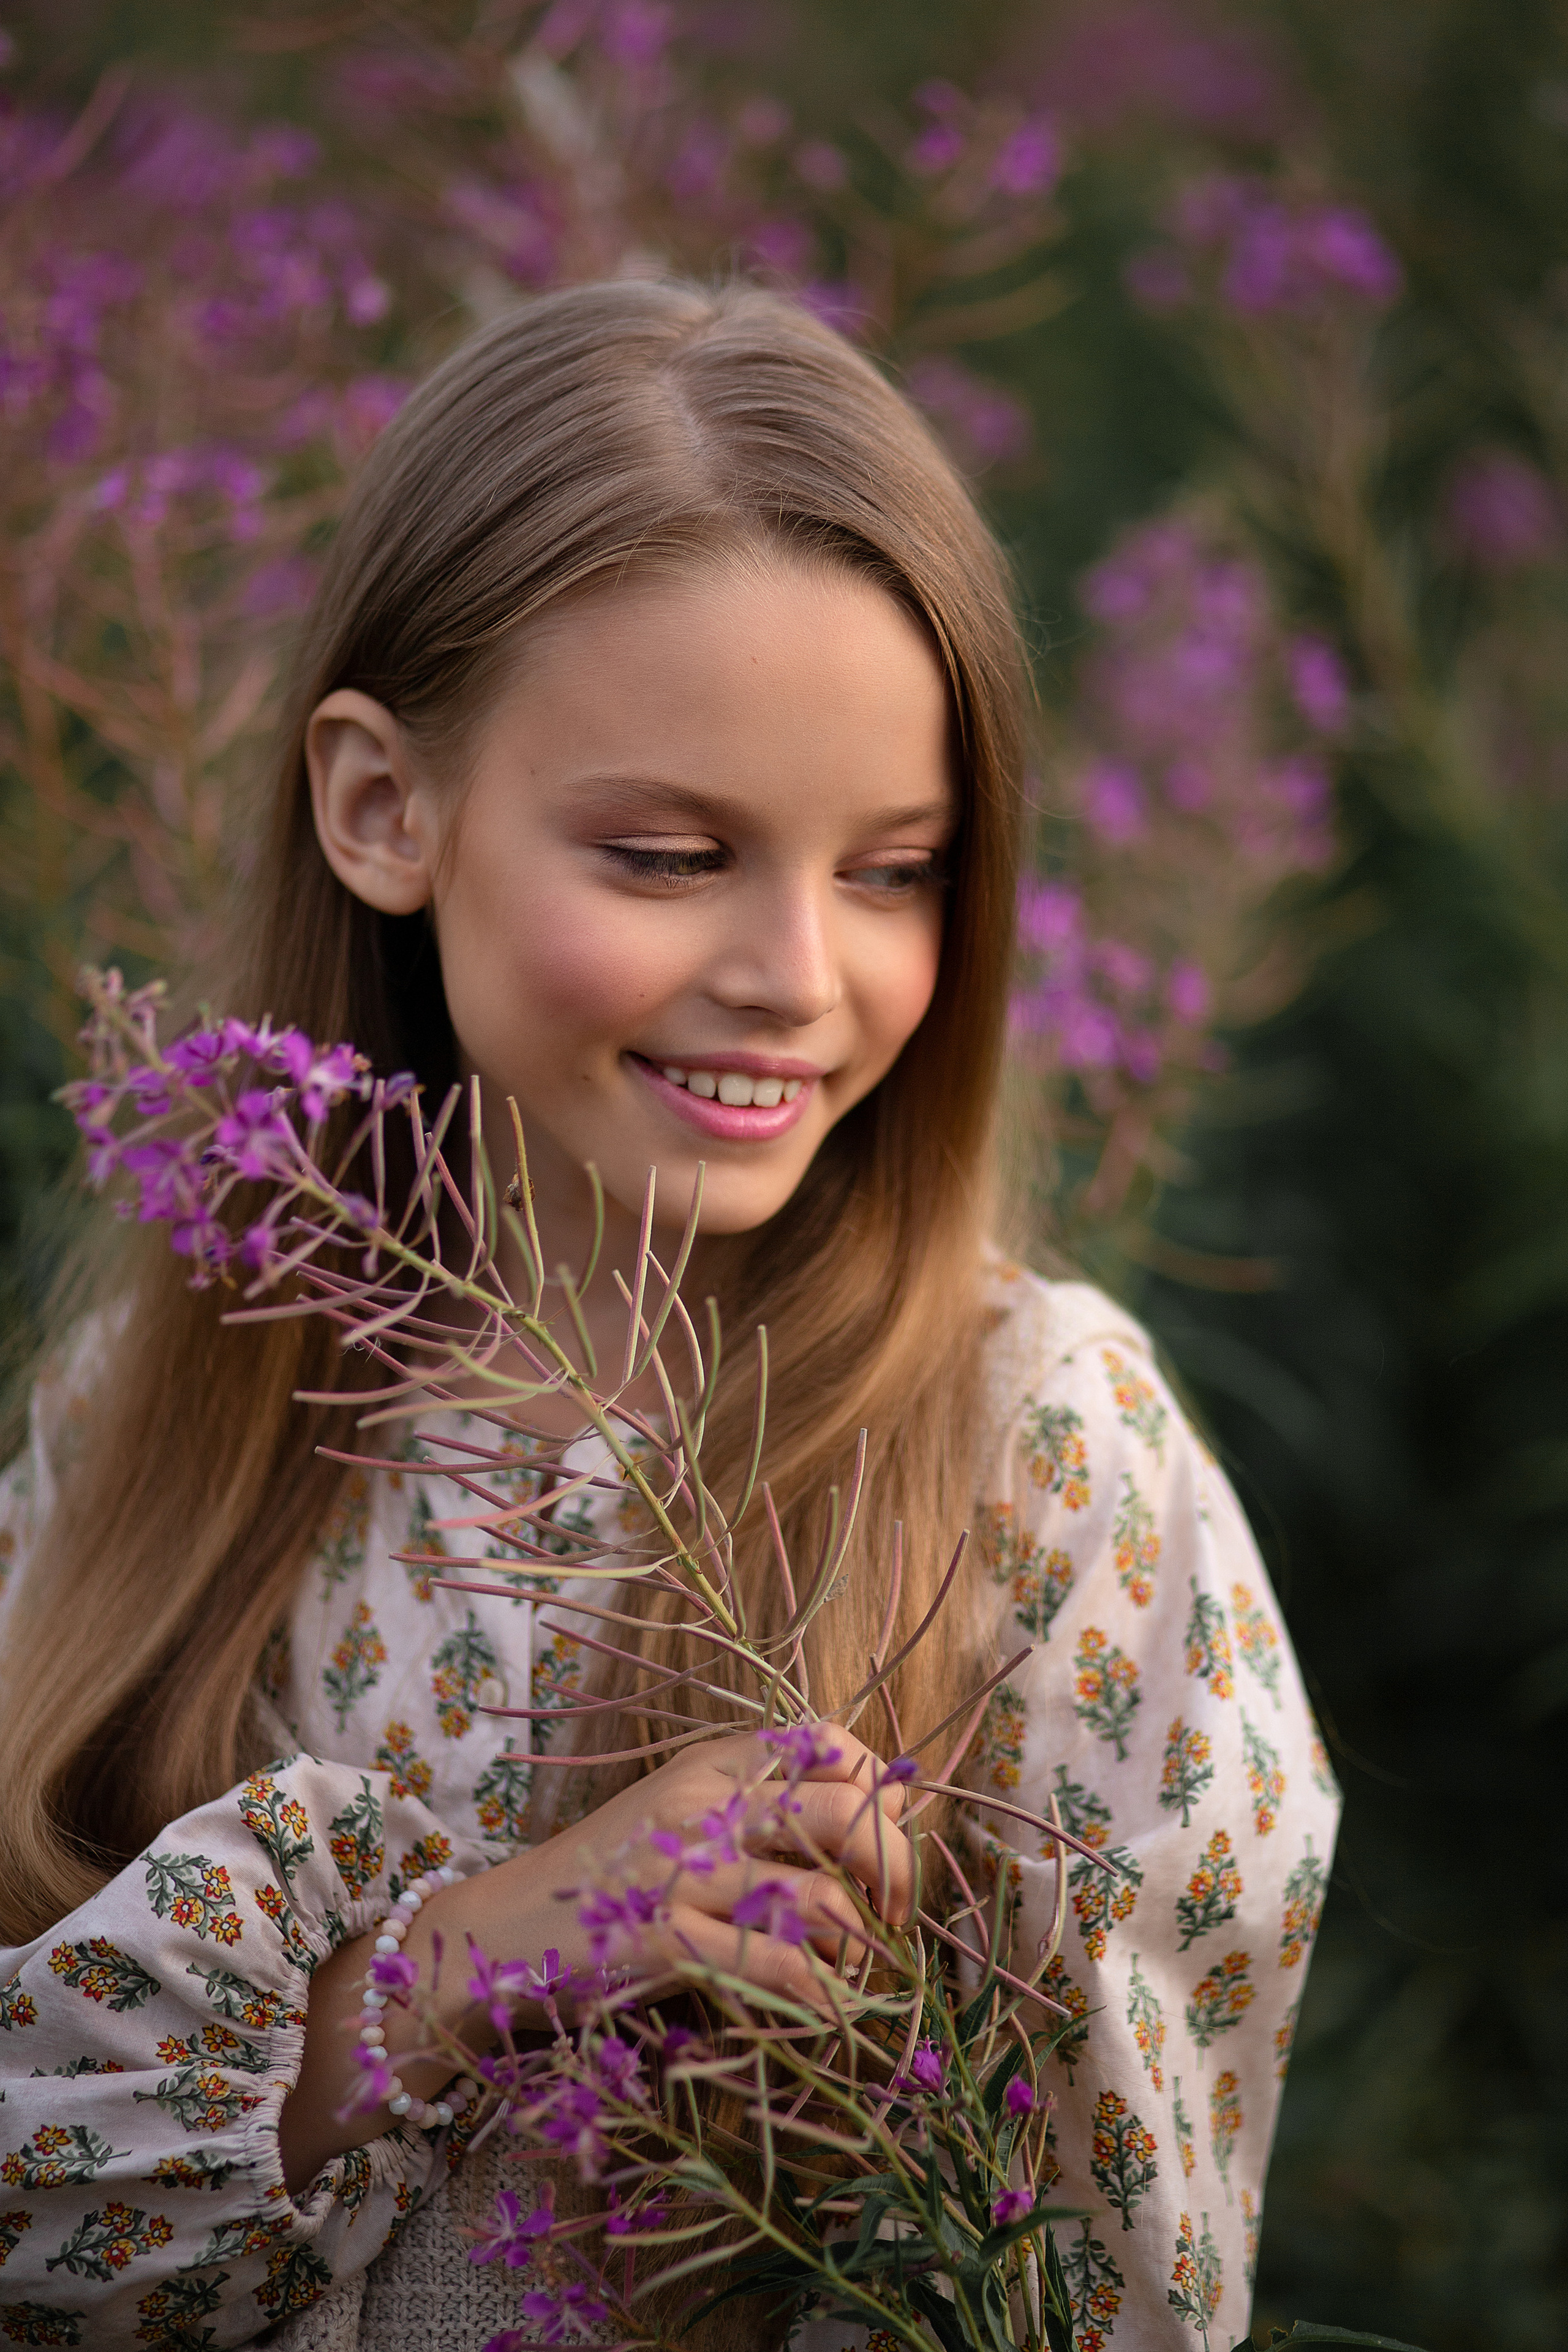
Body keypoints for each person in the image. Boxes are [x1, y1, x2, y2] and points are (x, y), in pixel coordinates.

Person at [0, 279, 1337, 2351]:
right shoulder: (156, 1427)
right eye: (665, 853)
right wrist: (479, 1957)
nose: (798, 970)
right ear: (381, 810)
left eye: (896, 869)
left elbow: (1112, 2279)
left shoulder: (1045, 1455)